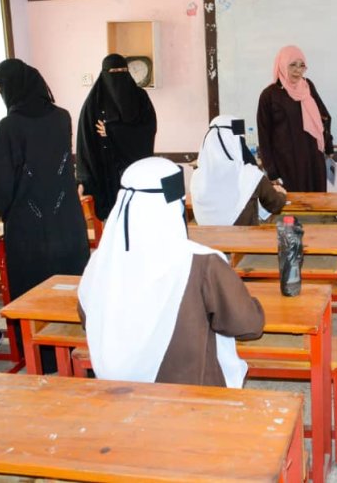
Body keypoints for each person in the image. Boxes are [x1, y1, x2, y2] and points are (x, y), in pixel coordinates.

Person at [78, 157, 264, 386]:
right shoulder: (202, 263)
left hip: (119, 394)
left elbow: (88, 318)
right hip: (192, 396)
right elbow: (248, 325)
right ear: (175, 206)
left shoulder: (101, 260)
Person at [0, 59, 90, 370]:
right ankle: (79, 352)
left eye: (1, 88)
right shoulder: (62, 117)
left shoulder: (9, 127)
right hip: (67, 223)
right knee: (71, 289)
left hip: (29, 231)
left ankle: (41, 360)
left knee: (32, 296)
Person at [77, 54, 157, 220]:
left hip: (136, 170)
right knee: (113, 222)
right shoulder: (94, 103)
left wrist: (112, 131)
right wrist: (83, 180)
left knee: (139, 220)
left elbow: (147, 130)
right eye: (114, 71)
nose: (119, 75)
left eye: (123, 70)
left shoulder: (140, 97)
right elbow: (85, 143)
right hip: (106, 175)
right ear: (105, 73)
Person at [257, 46, 334, 192]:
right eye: (292, 65)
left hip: (313, 159)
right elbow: (264, 136)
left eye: (302, 65)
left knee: (317, 207)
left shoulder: (307, 86)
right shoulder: (269, 95)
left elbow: (323, 116)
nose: (298, 70)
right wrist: (271, 171)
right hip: (287, 164)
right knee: (292, 210)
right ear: (282, 64)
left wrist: (328, 145)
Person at [191, 115, 287, 225]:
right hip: (245, 240)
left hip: (206, 241)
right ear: (236, 143)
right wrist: (281, 194)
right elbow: (275, 205)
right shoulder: (249, 174)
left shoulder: (197, 176)